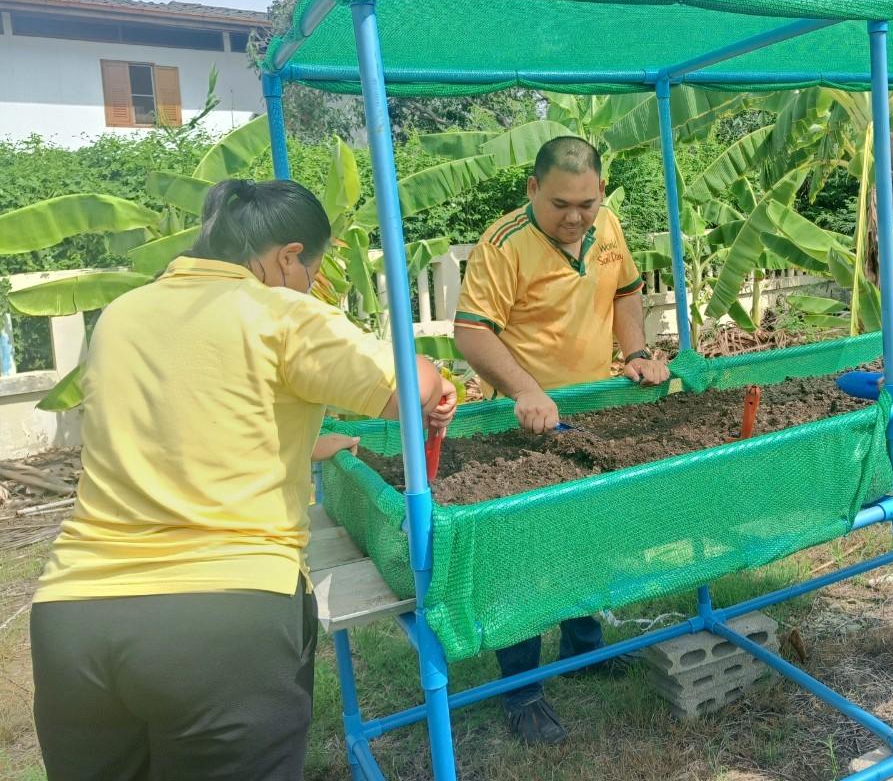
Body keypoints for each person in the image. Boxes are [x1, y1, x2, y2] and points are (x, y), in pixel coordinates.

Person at [30, 179, 456, 781]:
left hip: (75, 617)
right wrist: (432, 373)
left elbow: (191, 425)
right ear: (287, 256)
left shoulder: (124, 314)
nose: (313, 282)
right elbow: (410, 390)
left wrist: (320, 443)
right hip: (222, 622)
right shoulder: (279, 312)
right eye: (314, 267)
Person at [453, 135, 670, 743]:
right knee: (524, 556)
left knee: (588, 534)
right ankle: (520, 689)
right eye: (560, 205)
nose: (575, 217)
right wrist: (525, 390)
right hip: (523, 426)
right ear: (531, 190)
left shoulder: (608, 228)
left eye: (586, 203)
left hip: (595, 408)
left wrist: (636, 352)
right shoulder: (502, 246)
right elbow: (471, 333)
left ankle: (587, 649)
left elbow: (626, 292)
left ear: (600, 191)